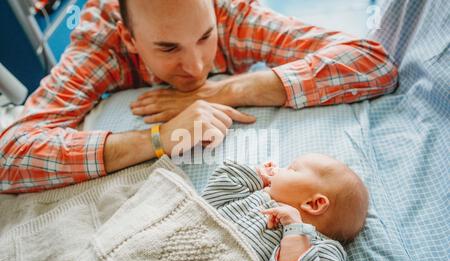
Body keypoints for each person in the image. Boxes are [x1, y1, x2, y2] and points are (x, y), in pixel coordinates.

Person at [0, 0, 398, 193]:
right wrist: (157, 138)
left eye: (205, 38)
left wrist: (225, 90)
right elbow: (9, 154)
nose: (195, 66)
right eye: (169, 49)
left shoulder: (231, 16)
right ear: (130, 40)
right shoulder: (103, 39)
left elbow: (372, 62)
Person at [202, 154, 369, 261]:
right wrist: (256, 176)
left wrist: (295, 230)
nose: (279, 169)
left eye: (291, 169)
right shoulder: (255, 195)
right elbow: (207, 202)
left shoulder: (322, 250)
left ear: (313, 203)